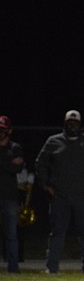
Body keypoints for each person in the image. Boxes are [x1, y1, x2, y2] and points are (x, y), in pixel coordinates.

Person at [35, 110, 84, 274]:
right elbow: (40, 163)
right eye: (69, 122)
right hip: (59, 196)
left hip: (83, 195)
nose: (72, 125)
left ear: (80, 124)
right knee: (57, 232)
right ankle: (51, 267)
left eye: (75, 122)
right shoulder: (53, 141)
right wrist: (45, 184)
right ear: (64, 122)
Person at [0, 116, 25, 273]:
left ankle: (13, 267)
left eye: (2, 129)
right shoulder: (11, 153)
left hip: (9, 196)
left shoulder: (15, 147)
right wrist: (8, 162)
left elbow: (17, 168)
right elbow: (11, 166)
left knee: (11, 234)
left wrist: (6, 164)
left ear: (9, 131)